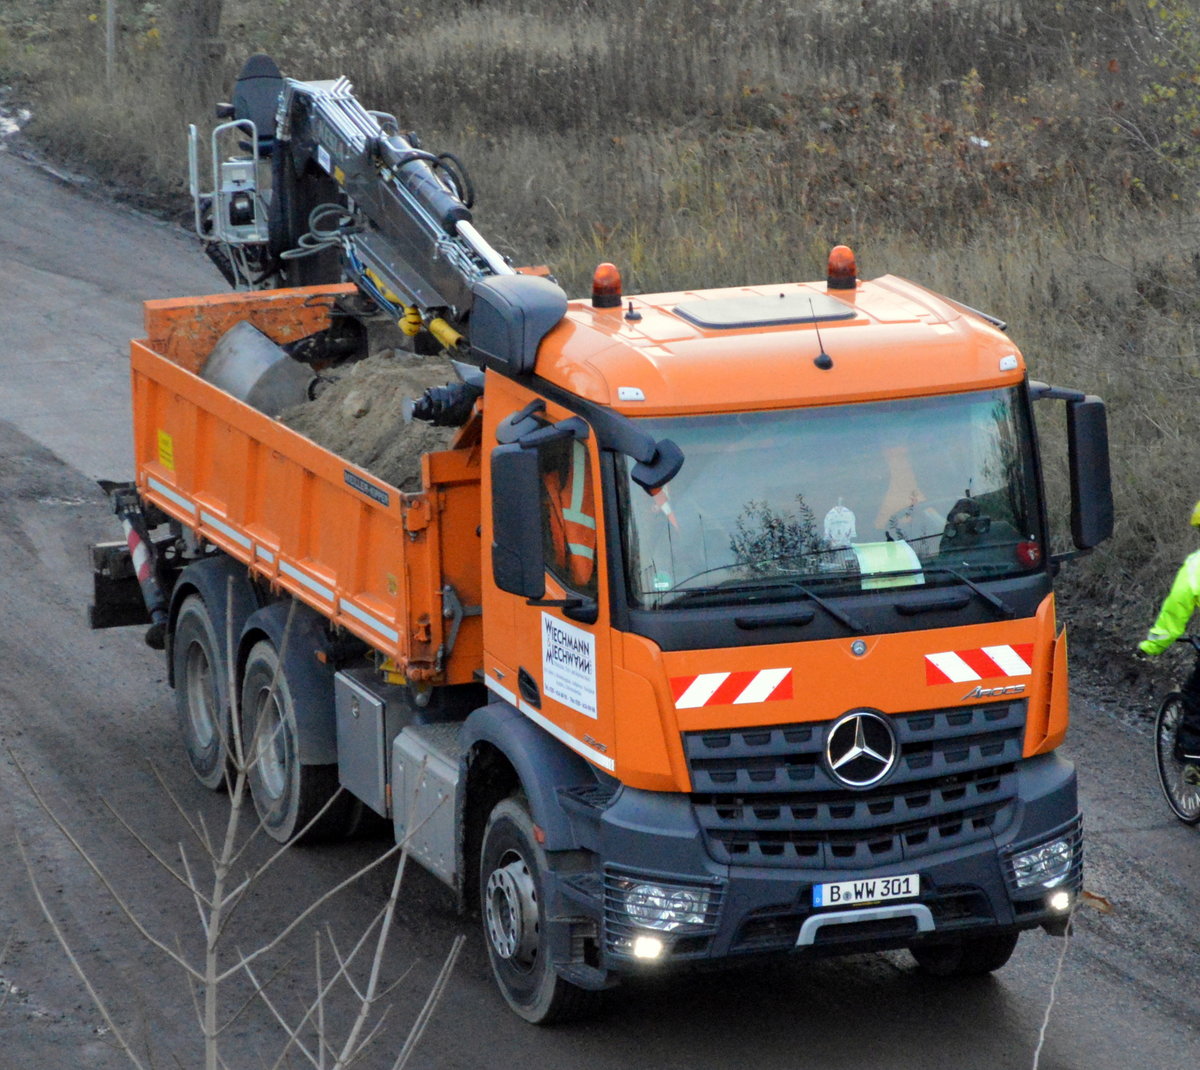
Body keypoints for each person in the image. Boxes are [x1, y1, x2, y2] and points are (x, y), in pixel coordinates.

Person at [1138, 499, 1200, 785]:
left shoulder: (1195, 566)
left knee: (1194, 697)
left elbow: (1172, 619)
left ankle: (1193, 758)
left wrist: (1150, 647)